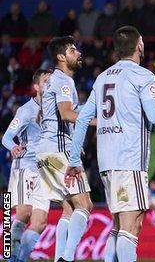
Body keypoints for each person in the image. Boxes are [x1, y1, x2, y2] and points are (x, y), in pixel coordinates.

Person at [65, 26, 155, 262]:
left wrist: (75, 159)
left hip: (107, 163)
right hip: (129, 160)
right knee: (131, 225)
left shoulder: (102, 77)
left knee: (121, 225)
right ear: (139, 46)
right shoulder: (143, 75)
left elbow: (83, 117)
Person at [37, 36, 93, 262]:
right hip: (58, 149)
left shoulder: (51, 80)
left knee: (69, 209)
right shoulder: (63, 81)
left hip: (46, 151)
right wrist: (100, 121)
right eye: (72, 50)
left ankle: (60, 256)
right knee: (85, 204)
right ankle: (67, 258)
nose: (78, 53)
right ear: (61, 57)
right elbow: (67, 114)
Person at [2, 69, 52, 262]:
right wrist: (14, 147)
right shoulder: (26, 110)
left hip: (46, 170)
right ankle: (10, 257)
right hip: (26, 166)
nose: (50, 84)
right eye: (45, 81)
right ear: (36, 87)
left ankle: (18, 259)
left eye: (52, 81)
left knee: (40, 222)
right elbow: (7, 137)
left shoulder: (57, 110)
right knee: (23, 213)